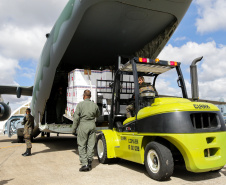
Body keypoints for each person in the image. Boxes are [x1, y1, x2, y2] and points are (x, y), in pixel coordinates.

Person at [72, 90, 100, 172]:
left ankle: (85, 164)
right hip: (92, 125)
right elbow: (98, 114)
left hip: (83, 125)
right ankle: (89, 161)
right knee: (91, 145)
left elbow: (76, 118)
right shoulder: (94, 105)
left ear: (84, 96)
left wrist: (74, 128)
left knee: (82, 145)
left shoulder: (80, 105)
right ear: (90, 96)